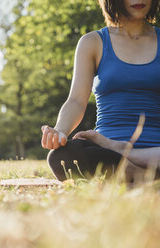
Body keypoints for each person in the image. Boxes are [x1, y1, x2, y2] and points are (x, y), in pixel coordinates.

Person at [41, 0, 160, 182]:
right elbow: (76, 101)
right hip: (106, 150)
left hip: (155, 151)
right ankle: (145, 177)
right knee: (63, 156)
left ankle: (130, 170)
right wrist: (60, 131)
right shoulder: (92, 42)